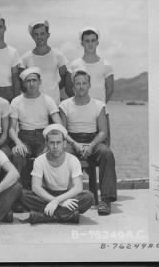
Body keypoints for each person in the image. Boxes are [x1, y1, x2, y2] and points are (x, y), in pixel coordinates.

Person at [59, 69, 117, 215]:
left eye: (84, 83)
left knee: (107, 153)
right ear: (73, 87)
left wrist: (91, 145)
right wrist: (75, 144)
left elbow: (103, 131)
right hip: (72, 140)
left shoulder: (99, 105)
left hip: (93, 140)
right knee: (60, 154)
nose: (81, 86)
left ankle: (106, 200)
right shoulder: (65, 105)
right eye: (77, 83)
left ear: (89, 85)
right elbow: (62, 131)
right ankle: (63, 197)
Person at [20, 124, 94, 224]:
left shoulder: (73, 160)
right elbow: (36, 187)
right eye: (52, 143)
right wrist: (58, 201)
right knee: (23, 195)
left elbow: (78, 188)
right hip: (47, 195)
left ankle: (42, 217)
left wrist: (57, 201)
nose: (55, 146)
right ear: (46, 143)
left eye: (58, 142)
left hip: (67, 195)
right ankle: (68, 216)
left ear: (64, 143)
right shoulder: (39, 160)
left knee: (89, 197)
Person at [9, 67, 62, 190]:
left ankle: (45, 193)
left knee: (46, 157)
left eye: (34, 80)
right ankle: (19, 193)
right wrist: (18, 143)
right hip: (24, 137)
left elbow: (58, 125)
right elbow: (12, 128)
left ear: (40, 82)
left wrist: (49, 144)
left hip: (43, 137)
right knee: (17, 155)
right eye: (28, 81)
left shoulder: (48, 100)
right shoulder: (16, 101)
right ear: (24, 83)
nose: (31, 84)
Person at [67, 27, 114, 144]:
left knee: (103, 149)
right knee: (78, 152)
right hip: (78, 113)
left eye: (93, 40)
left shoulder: (106, 65)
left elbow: (110, 90)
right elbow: (69, 89)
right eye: (87, 41)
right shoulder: (74, 65)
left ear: (97, 43)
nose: (90, 44)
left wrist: (98, 107)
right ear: (82, 43)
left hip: (101, 115)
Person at [19, 20, 69, 105]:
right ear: (32, 37)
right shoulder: (25, 58)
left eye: (42, 33)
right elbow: (21, 83)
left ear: (48, 35)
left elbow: (64, 78)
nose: (39, 37)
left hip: (54, 103)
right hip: (33, 104)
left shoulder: (58, 55)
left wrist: (54, 89)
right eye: (36, 34)